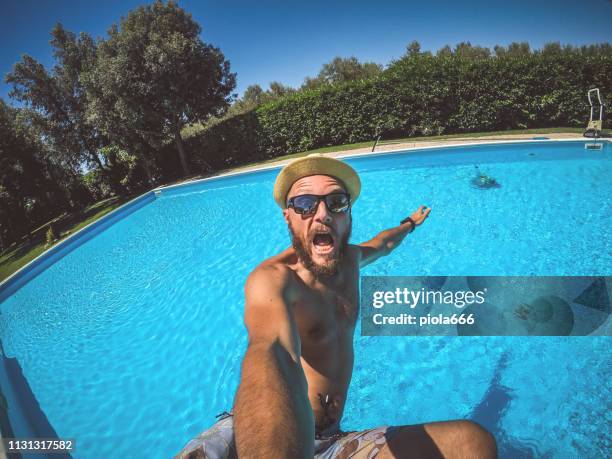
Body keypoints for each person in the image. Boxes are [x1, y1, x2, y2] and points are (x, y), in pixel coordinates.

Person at [176, 154, 496, 459]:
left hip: (331, 441)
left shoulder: (352, 259)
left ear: (347, 215)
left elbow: (383, 242)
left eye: (336, 202)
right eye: (304, 204)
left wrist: (409, 223)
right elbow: (272, 351)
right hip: (251, 438)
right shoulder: (275, 280)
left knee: (470, 444)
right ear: (287, 216)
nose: (322, 214)